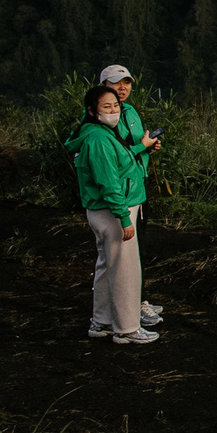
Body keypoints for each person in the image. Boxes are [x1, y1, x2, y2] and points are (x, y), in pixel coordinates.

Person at [72, 85, 156, 345]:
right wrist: (123, 217)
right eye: (106, 107)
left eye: (115, 106)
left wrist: (141, 148)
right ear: (92, 111)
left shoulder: (100, 134)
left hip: (105, 210)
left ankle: (102, 322)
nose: (113, 111)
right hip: (113, 211)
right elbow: (109, 182)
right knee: (125, 271)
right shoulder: (98, 139)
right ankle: (127, 328)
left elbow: (120, 163)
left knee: (107, 267)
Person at [95, 64, 164, 333]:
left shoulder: (131, 111)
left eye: (126, 83)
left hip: (137, 186)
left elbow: (135, 146)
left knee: (138, 250)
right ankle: (127, 319)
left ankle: (133, 303)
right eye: (115, 83)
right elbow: (119, 156)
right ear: (102, 88)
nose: (122, 88)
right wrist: (140, 147)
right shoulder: (102, 119)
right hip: (120, 194)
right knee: (122, 258)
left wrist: (149, 146)